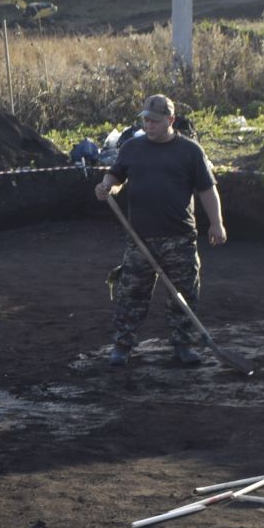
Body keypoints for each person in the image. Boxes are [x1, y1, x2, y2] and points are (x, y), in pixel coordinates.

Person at [93, 93, 226, 367]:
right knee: (131, 293)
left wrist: (216, 223)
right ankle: (122, 344)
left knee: (184, 293)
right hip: (140, 238)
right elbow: (117, 175)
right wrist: (108, 186)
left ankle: (183, 345)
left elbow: (207, 190)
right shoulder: (131, 148)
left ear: (170, 120)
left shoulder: (190, 151)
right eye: (145, 120)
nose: (148, 125)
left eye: (154, 121)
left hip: (179, 238)